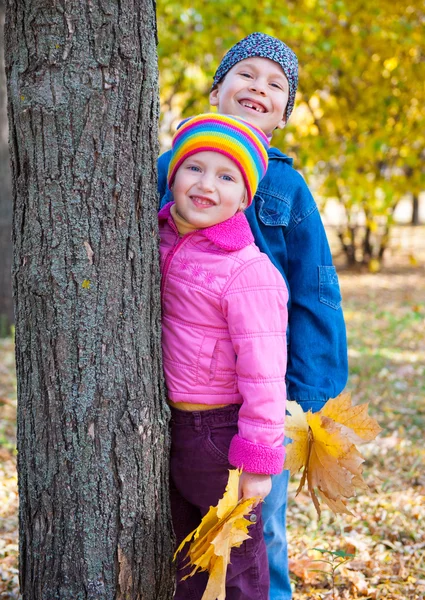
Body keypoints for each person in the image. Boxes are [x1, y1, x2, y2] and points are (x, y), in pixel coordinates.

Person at [158, 33, 348, 599]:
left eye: (276, 85)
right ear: (218, 88)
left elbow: (317, 292)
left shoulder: (286, 186)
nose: (258, 88)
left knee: (257, 529)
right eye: (247, 74)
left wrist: (311, 398)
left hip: (265, 395)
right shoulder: (175, 163)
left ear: (284, 115)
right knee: (191, 533)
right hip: (188, 391)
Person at [159, 112, 289, 600]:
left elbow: (264, 376)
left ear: (244, 197)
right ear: (172, 173)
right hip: (170, 430)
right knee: (187, 563)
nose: (207, 184)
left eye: (226, 175)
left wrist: (258, 462)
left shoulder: (248, 272)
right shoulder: (160, 237)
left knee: (234, 567)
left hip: (221, 437)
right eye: (194, 168)